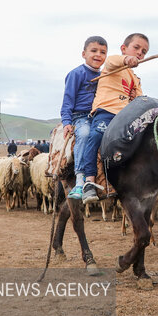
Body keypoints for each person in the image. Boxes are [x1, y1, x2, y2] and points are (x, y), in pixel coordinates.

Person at [80, 33, 149, 203]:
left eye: (144, 51)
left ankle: (156, 171)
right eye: (136, 48)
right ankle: (89, 181)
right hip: (106, 111)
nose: (140, 53)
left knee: (149, 137)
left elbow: (139, 100)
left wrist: (135, 96)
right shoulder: (112, 64)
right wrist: (126, 60)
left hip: (126, 117)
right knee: (95, 135)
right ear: (124, 49)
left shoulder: (136, 79)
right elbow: (113, 61)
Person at [60, 36, 109, 199]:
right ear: (84, 53)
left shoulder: (105, 76)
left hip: (99, 115)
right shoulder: (76, 74)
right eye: (94, 51)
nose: (98, 55)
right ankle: (80, 180)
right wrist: (67, 122)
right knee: (85, 134)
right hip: (80, 116)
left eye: (103, 52)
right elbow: (68, 100)